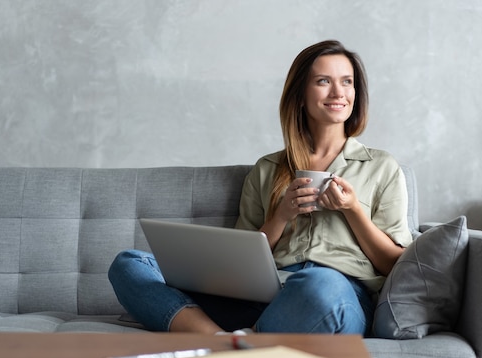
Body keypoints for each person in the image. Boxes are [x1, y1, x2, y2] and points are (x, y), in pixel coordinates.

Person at [108, 40, 412, 336]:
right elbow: (241, 263)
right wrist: (280, 217)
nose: (338, 92)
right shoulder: (267, 169)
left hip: (337, 294)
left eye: (347, 82)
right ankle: (221, 341)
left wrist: (352, 210)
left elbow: (392, 264)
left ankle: (242, 341)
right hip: (265, 294)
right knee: (129, 264)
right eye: (323, 81)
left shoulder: (381, 166)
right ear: (301, 96)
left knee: (320, 282)